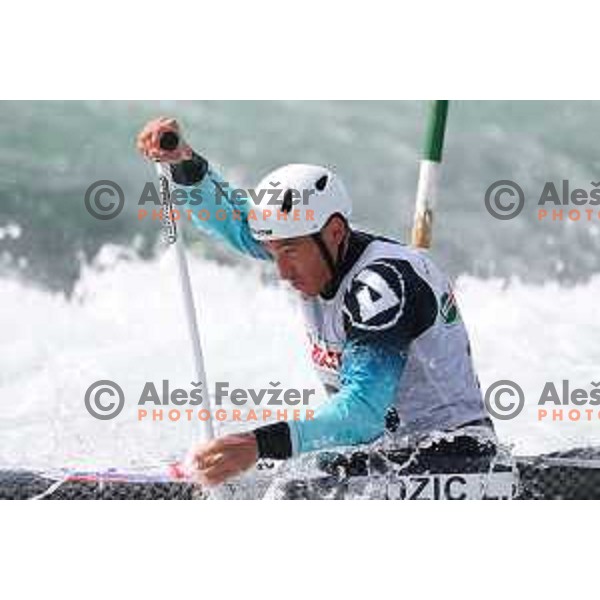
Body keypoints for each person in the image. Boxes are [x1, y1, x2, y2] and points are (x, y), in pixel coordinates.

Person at [137, 117, 495, 488]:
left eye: (290, 251)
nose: (282, 271)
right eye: (273, 251)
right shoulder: (314, 249)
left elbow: (362, 413)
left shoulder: (382, 287)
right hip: (382, 456)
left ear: (335, 232)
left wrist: (257, 444)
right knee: (262, 469)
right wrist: (184, 164)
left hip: (455, 458)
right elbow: (237, 224)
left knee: (285, 476)